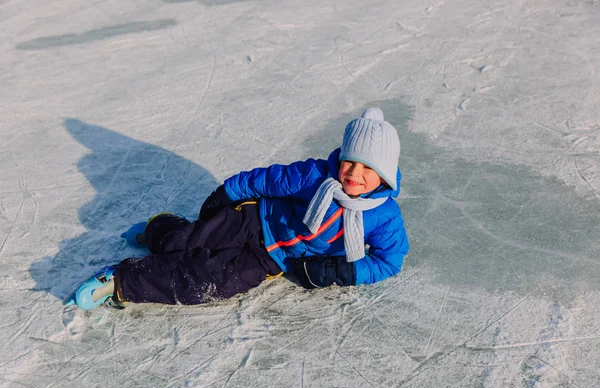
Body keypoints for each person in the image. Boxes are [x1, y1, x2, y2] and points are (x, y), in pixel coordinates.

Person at [66, 107, 410, 310]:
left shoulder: (385, 217)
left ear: (383, 173)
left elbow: (389, 261)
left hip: (274, 260)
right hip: (252, 219)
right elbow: (267, 180)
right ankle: (160, 227)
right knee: (181, 242)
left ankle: (123, 281)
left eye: (367, 168)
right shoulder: (315, 176)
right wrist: (226, 192)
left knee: (212, 281)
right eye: (349, 162)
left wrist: (343, 272)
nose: (353, 173)